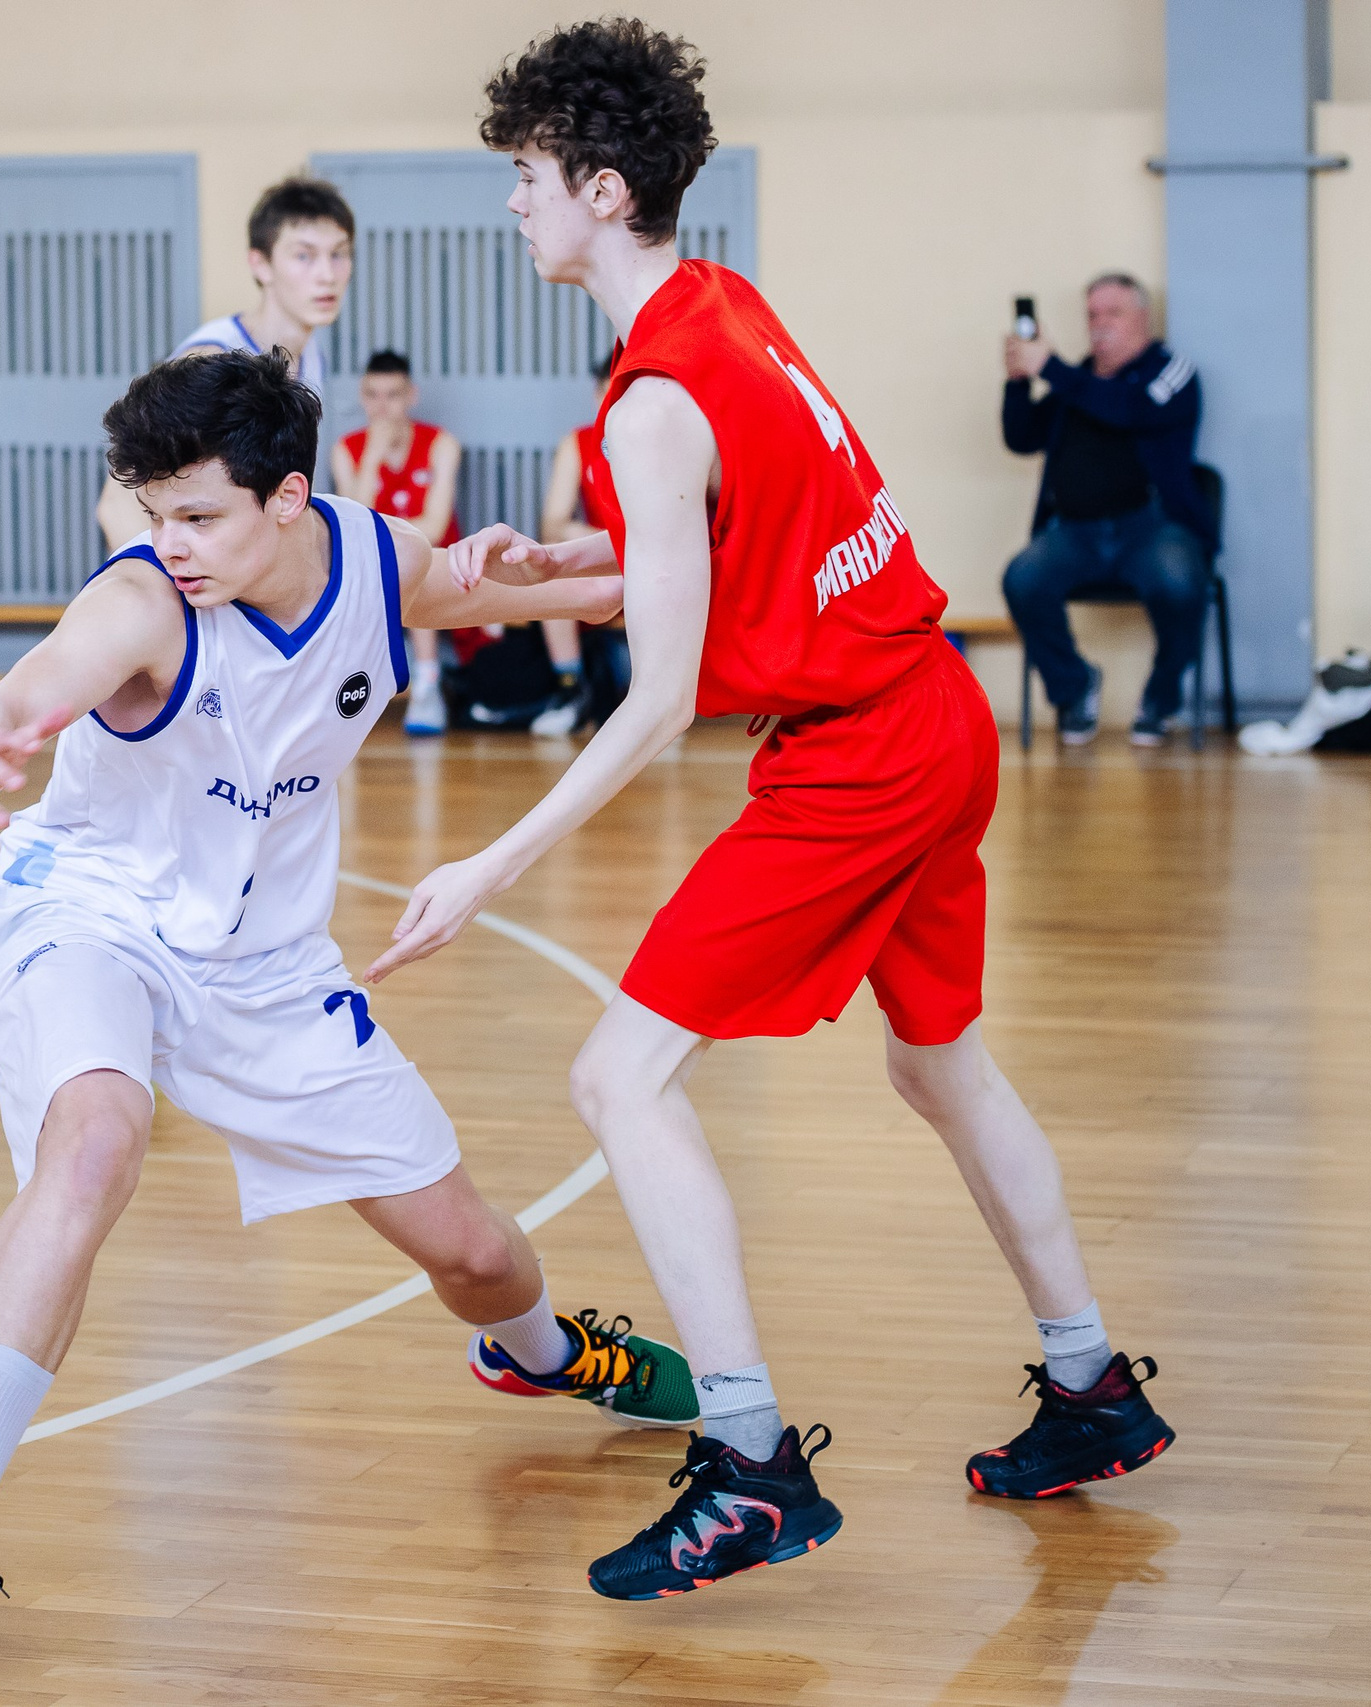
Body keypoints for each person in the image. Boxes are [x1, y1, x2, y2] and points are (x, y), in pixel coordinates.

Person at [369, 20, 1175, 1602]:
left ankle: (747, 1463)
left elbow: (665, 700)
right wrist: (589, 570)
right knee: (939, 1062)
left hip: (862, 759)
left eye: (527, 180)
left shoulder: (654, 400)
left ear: (601, 189)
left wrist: (492, 855)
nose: (512, 205)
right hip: (931, 710)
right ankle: (1091, 1387)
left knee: (620, 1075)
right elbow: (740, 558)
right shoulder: (722, 307)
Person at [0, 350, 684, 1701]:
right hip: (98, 918)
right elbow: (46, 675)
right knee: (92, 1143)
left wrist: (685, 544)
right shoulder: (142, 599)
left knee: (477, 1252)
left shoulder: (373, 562)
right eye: (151, 509)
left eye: (198, 515)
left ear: (290, 498)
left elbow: (585, 583)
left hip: (270, 966)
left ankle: (540, 1353)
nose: (165, 540)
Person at [1001, 273, 1211, 746]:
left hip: (1152, 529)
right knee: (1022, 579)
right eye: (1092, 315)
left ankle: (1161, 700)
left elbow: (1132, 409)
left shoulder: (1169, 370)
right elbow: (1021, 438)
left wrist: (1052, 368)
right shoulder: (1076, 381)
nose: (1099, 325)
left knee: (1180, 581)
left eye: (1113, 313)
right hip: (1074, 533)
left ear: (1143, 317)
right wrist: (1018, 382)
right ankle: (1074, 689)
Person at [94, 176, 354, 555]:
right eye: (304, 255)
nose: (327, 274)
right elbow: (116, 508)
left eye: (339, 254)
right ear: (261, 264)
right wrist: (172, 599)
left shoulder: (311, 355)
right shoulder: (211, 358)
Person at [332, 349, 461, 734]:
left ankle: (426, 688)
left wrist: (388, 539)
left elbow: (435, 527)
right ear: (361, 397)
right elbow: (350, 526)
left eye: (392, 395)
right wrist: (372, 457)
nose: (382, 406)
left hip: (432, 560)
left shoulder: (441, 443)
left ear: (411, 396)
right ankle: (347, 694)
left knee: (414, 567)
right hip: (370, 563)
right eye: (372, 395)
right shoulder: (348, 449)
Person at [531, 350, 622, 736]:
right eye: (607, 392)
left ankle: (659, 706)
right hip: (608, 558)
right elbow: (553, 524)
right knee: (550, 573)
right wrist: (616, 542)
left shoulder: (664, 444)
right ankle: (571, 692)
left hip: (654, 565)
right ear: (597, 394)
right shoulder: (579, 443)